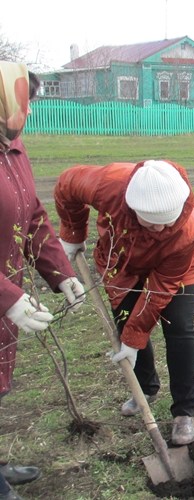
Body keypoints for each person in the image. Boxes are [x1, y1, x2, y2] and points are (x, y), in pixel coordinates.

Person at [54, 159, 194, 445]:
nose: (159, 228)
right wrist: (73, 233)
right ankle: (146, 389)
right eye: (151, 222)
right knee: (126, 318)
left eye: (167, 221)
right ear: (132, 206)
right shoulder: (108, 185)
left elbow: (159, 292)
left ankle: (184, 412)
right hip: (122, 261)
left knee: (178, 326)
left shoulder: (186, 230)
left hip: (182, 265)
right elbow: (67, 185)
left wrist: (134, 339)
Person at [0, 62, 85, 500]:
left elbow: (30, 215)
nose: (29, 111)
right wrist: (8, 296)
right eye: (24, 100)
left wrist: (60, 273)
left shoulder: (13, 148)